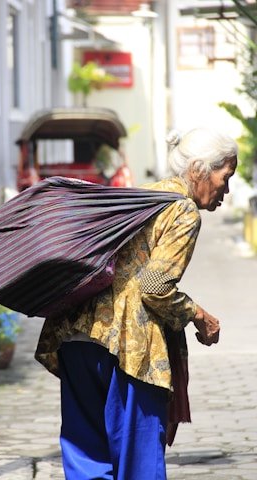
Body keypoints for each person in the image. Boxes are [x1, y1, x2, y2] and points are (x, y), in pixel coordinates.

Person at [35, 127, 238, 480]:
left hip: (76, 338)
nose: (227, 189)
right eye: (226, 177)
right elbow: (154, 287)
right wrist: (198, 315)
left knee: (87, 463)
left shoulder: (139, 195)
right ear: (198, 170)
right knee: (139, 466)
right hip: (128, 349)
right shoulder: (183, 211)